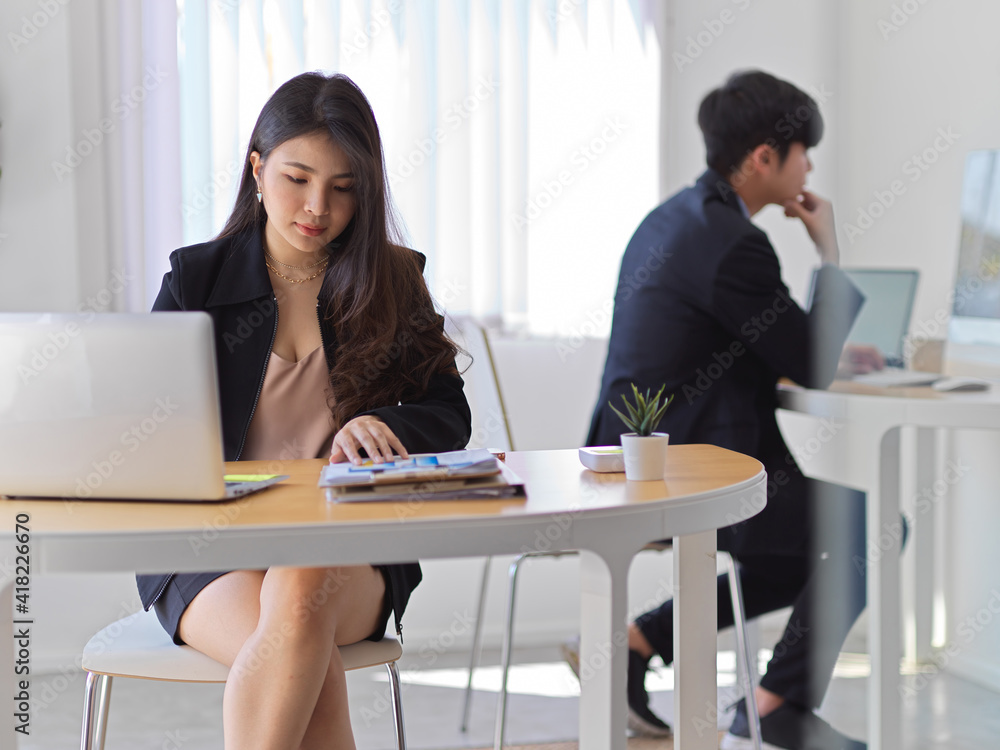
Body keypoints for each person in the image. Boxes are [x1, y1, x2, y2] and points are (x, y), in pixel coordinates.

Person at [136, 73, 471, 749]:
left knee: (300, 590)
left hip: (349, 548)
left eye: (344, 188)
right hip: (210, 549)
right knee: (302, 663)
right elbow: (145, 424)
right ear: (257, 170)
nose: (318, 206)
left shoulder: (392, 281)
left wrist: (388, 425)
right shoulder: (195, 280)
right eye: (297, 177)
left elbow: (448, 413)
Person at [585, 70, 881, 749]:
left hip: (647, 449)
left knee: (794, 554)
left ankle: (639, 640)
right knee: (871, 528)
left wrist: (821, 344)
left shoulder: (680, 219)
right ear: (764, 159)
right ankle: (776, 706)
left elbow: (741, 340)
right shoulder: (734, 245)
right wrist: (829, 252)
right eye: (805, 151)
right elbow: (809, 367)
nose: (809, 167)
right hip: (690, 466)